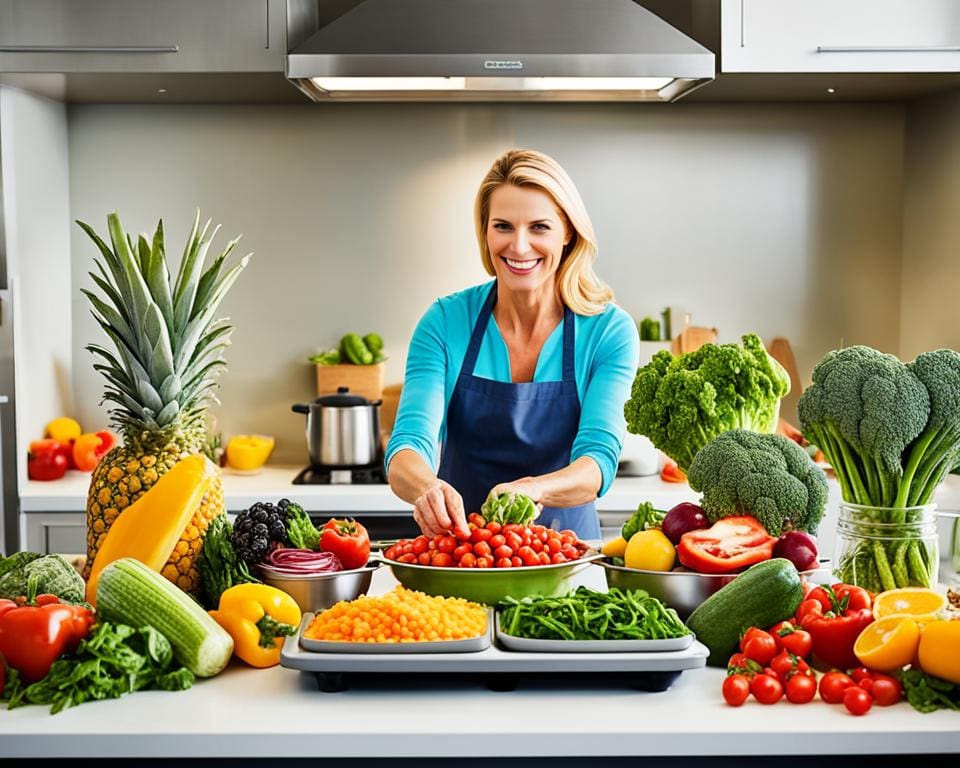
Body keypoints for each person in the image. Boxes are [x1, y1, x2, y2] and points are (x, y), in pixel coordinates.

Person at [386, 149, 639, 540]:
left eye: (539, 227)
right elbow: (408, 445)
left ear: (568, 232)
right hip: (460, 555)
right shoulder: (445, 321)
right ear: (485, 232)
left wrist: (533, 489)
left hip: (565, 557)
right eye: (503, 226)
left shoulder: (608, 331)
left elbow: (597, 460)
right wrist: (426, 487)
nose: (519, 248)